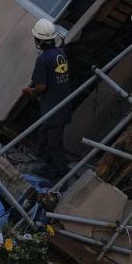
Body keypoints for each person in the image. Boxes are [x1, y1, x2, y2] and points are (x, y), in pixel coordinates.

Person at [22, 18, 75, 177]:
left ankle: (62, 175)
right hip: (63, 105)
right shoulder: (60, 53)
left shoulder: (43, 59)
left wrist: (31, 92)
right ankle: (48, 165)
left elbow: (41, 86)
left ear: (38, 40)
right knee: (43, 135)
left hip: (53, 109)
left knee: (55, 145)